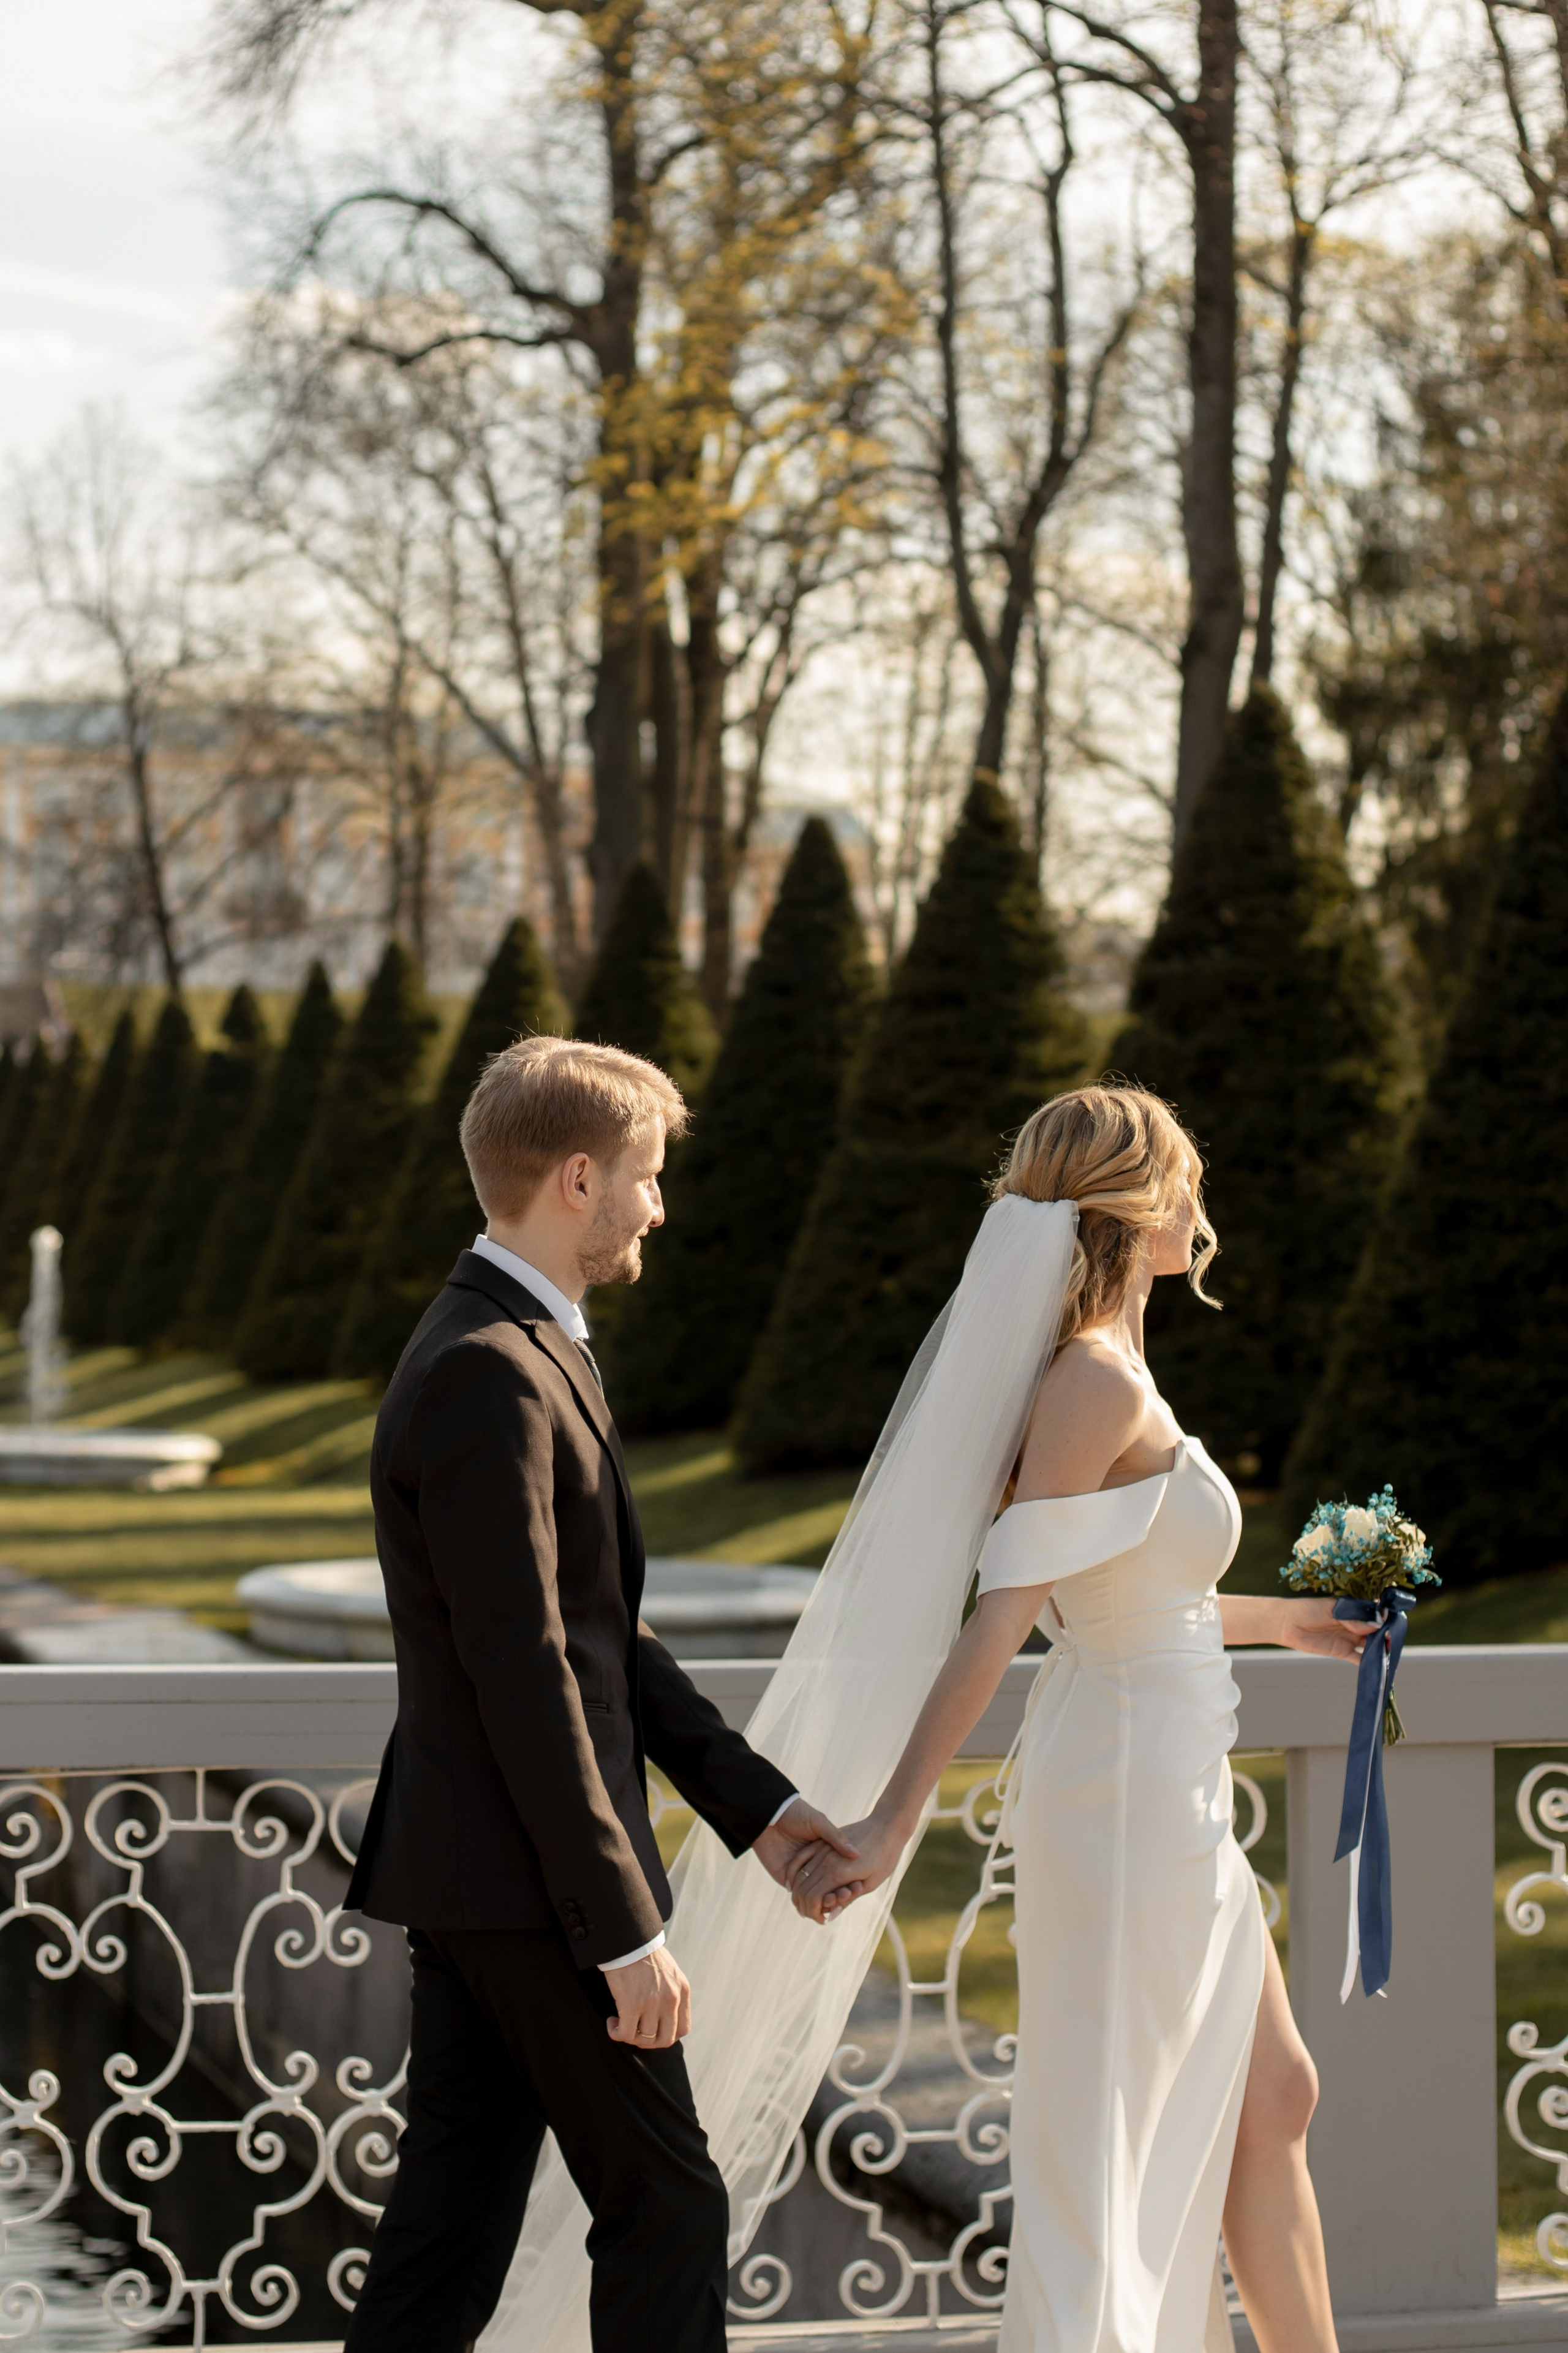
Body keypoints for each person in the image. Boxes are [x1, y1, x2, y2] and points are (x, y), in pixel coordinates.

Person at [786, 1086, 1367, 2353]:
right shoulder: (1091, 1382)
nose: (1201, 1206)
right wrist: (892, 1820)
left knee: (1273, 2095)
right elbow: (1004, 1617)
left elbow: (1142, 1595)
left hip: (1173, 1779)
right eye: (1186, 1180)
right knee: (1106, 2141)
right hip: (1118, 1793)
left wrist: (1298, 1624)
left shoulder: (1118, 1366)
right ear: (1137, 1203)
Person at [342, 1034, 855, 2353]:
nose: (657, 1203)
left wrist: (764, 1810)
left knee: (446, 2237)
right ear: (577, 1177)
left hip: (486, 1875)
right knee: (667, 2203)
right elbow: (524, 1677)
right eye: (646, 1174)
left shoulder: (518, 1345)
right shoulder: (486, 1370)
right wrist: (619, 1931)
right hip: (528, 1888)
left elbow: (595, 1637)